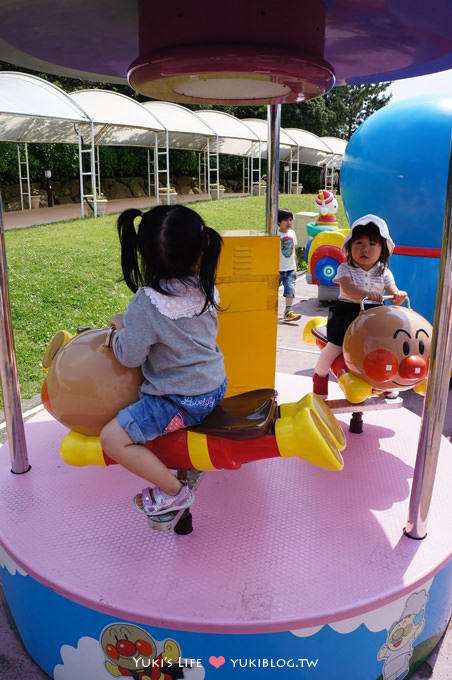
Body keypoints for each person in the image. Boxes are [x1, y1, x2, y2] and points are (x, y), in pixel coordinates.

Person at [100, 204, 227, 516]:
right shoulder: (205, 286)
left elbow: (130, 357)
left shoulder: (146, 304)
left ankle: (174, 491)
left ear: (144, 255)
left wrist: (118, 331)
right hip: (215, 386)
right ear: (200, 253)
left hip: (180, 402)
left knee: (111, 439)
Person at [312, 214, 406, 399]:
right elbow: (348, 287)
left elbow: (392, 289)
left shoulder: (384, 271)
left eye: (372, 244)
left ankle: (386, 383)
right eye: (359, 243)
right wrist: (365, 293)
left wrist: (397, 295)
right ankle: (320, 377)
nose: (365, 249)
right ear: (350, 246)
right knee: (334, 347)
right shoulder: (345, 269)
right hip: (347, 313)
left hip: (375, 316)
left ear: (382, 250)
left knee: (384, 349)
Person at [278, 208, 301, 322]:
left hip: (290, 268)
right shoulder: (275, 234)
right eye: (286, 220)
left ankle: (288, 311)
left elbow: (294, 251)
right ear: (278, 222)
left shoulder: (292, 233)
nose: (289, 223)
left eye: (291, 220)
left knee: (290, 289)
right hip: (277, 269)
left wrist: (295, 263)